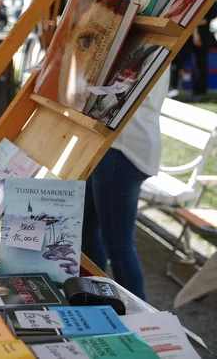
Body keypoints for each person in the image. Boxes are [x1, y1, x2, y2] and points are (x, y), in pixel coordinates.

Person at [82, 68, 170, 300]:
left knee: (118, 245)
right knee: (87, 230)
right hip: (113, 145)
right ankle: (96, 298)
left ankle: (142, 321)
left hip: (122, 148)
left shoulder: (144, 36)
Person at [190, 4, 217, 101]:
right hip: (195, 37)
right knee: (198, 65)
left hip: (204, 38)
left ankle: (200, 91)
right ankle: (198, 91)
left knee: (201, 65)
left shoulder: (211, 5)